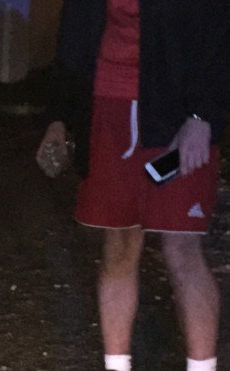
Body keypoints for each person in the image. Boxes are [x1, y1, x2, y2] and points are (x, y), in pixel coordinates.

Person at [36, 1, 230, 370]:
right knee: (119, 245)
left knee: (181, 247)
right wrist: (59, 118)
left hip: (177, 116)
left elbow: (221, 33)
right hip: (110, 110)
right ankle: (117, 364)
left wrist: (203, 116)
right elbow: (74, 38)